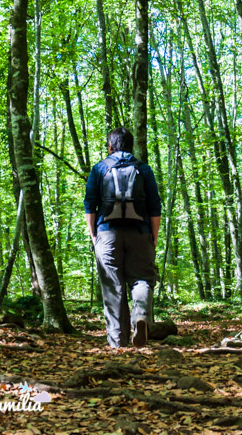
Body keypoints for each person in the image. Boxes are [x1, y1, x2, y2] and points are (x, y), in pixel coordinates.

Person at [84, 127, 162, 348]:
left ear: (110, 146)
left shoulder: (100, 168)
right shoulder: (143, 169)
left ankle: (118, 343)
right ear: (131, 146)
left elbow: (90, 204)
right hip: (140, 233)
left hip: (107, 233)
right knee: (142, 280)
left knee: (113, 288)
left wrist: (94, 235)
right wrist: (153, 237)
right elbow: (155, 207)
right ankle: (140, 316)